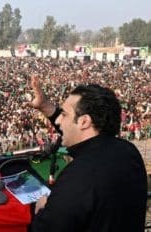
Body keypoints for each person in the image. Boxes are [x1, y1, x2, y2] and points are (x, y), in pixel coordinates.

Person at [28, 75, 147, 232]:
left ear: (84, 121)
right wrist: (45, 106)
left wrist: (43, 209)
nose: (58, 122)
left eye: (64, 115)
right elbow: (76, 131)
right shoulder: (128, 151)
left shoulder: (79, 176)